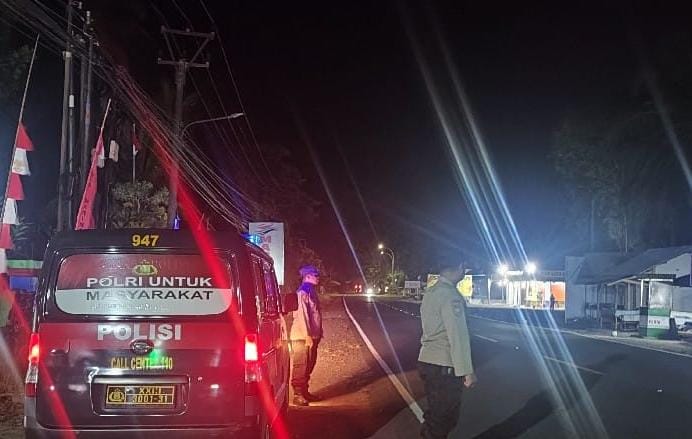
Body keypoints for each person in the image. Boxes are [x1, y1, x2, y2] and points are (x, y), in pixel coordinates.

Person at [418, 261, 476, 439]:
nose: (464, 273)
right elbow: (457, 334)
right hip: (444, 365)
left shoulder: (431, 291)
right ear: (458, 267)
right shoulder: (451, 295)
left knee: (437, 414)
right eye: (464, 268)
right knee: (444, 419)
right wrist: (466, 371)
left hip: (428, 361)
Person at [290, 265, 323, 406]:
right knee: (301, 365)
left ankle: (304, 391)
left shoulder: (311, 291)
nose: (318, 278)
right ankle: (298, 395)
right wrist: (307, 335)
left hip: (312, 336)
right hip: (302, 337)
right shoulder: (302, 292)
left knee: (310, 363)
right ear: (307, 277)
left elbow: (315, 315)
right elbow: (302, 316)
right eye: (315, 275)